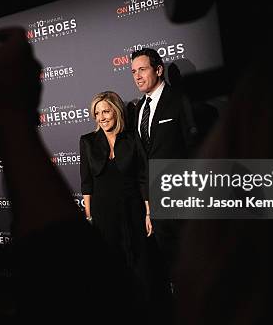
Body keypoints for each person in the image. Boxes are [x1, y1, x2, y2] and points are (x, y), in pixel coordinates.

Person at [79, 91, 152, 296]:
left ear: (116, 111)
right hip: (103, 214)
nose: (101, 117)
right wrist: (89, 216)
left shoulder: (132, 139)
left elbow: (143, 177)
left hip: (133, 210)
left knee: (139, 262)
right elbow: (86, 184)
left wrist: (148, 212)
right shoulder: (87, 142)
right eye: (97, 113)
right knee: (110, 265)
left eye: (106, 111)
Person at [130, 47, 190, 297]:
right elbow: (143, 162)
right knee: (172, 268)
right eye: (133, 72)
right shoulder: (138, 109)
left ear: (158, 69)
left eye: (142, 69)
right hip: (158, 205)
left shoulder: (180, 100)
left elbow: (195, 149)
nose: (137, 76)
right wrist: (148, 207)